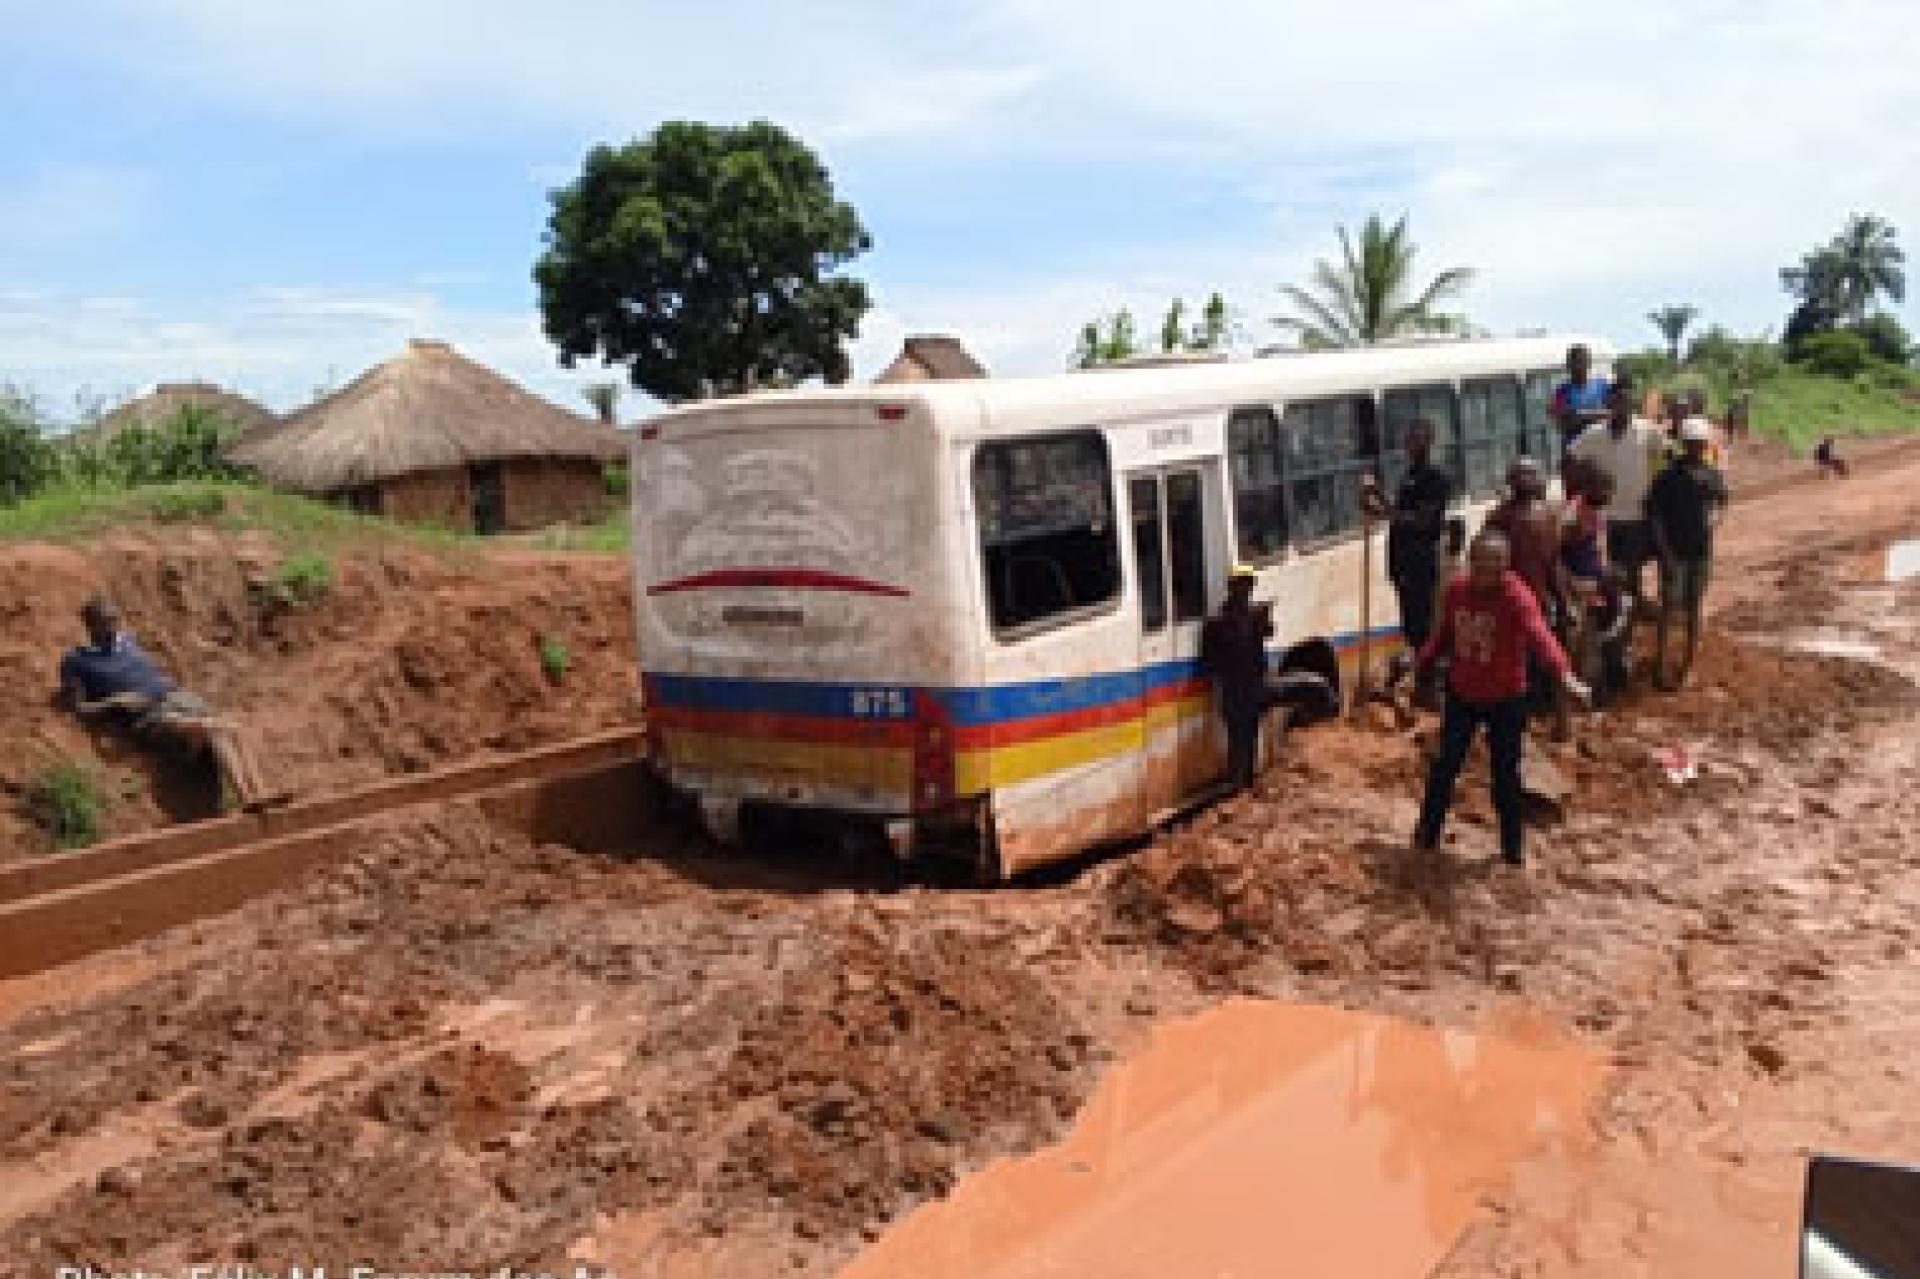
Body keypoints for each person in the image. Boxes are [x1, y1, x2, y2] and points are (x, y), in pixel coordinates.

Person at [1412, 531, 1589, 868]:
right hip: (1463, 693)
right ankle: (1426, 836)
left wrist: (1564, 675)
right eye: (1479, 565)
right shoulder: (1457, 591)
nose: (1484, 575)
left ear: (1505, 567)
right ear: (1470, 562)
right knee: (1445, 767)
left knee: (1505, 775)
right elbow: (1443, 634)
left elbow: (1540, 636)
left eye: (1493, 567)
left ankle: (1512, 852)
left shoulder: (1516, 598)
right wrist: (1423, 665)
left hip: (1506, 698)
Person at [59, 597, 279, 810]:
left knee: (234, 727)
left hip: (178, 698)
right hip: (150, 714)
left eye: (115, 619)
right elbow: (79, 707)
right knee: (214, 730)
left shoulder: (128, 642)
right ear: (91, 625)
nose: (113, 626)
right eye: (106, 622)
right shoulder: (77, 660)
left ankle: (261, 792)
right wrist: (114, 701)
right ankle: (246, 797)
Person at [1363, 418, 1452, 693]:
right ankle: (1421, 681)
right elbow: (1399, 517)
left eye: (1416, 439)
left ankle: (1429, 685)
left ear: (1429, 442)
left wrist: (1385, 506)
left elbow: (1422, 522)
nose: (1410, 445)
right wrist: (1374, 503)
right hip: (1402, 562)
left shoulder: (1435, 478)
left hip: (1420, 562)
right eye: (1408, 440)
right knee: (1410, 625)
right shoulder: (1409, 475)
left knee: (1423, 624)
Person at [1485, 457, 1572, 737]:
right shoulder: (1503, 518)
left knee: (1546, 660)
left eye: (1529, 476)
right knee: (1524, 663)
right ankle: (1529, 720)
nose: (1526, 481)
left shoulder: (1542, 516)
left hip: (1533, 601)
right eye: (1521, 476)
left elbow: (1553, 563)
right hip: (1515, 602)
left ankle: (1557, 720)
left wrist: (1563, 600)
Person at [1569, 378, 1666, 617]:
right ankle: (1610, 613)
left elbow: (1664, 457)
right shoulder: (1594, 434)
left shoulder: (1647, 431)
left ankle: (1631, 610)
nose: (1622, 404)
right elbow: (1570, 459)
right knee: (1604, 568)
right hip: (1602, 516)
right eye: (1617, 399)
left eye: (1627, 399)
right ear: (1609, 402)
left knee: (1633, 567)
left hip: (1635, 513)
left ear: (1632, 403)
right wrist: (1580, 489)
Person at [1648, 420, 1729, 690]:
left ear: (1705, 445)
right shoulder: (1667, 478)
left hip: (1700, 552)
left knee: (1694, 607)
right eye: (1692, 443)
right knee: (1669, 607)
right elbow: (1656, 518)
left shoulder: (1712, 475)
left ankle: (1688, 664)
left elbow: (1722, 504)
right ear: (1684, 444)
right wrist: (1666, 554)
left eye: (1700, 443)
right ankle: (1659, 664)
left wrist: (1714, 523)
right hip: (1675, 553)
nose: (1696, 448)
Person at [1550, 344, 1611, 449]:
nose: (1578, 366)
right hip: (1573, 449)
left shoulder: (1602, 386)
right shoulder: (1561, 391)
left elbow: (1612, 414)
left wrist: (1578, 414)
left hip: (1600, 448)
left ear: (1589, 363)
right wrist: (1596, 415)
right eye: (1574, 362)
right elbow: (1563, 423)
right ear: (1568, 365)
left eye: (1582, 361)